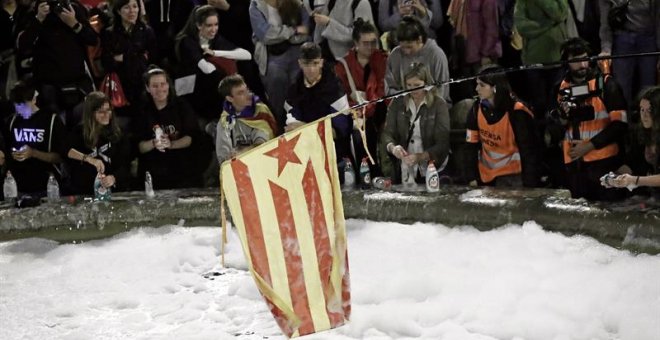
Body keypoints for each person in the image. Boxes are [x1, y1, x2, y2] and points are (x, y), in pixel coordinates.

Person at [552, 37, 628, 200]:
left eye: (585, 59)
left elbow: (620, 125)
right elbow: (553, 128)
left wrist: (589, 146)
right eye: (576, 60)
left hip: (604, 161)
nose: (583, 65)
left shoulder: (606, 85)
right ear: (566, 62)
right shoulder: (561, 88)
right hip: (574, 163)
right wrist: (562, 119)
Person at [17, 0, 98, 126]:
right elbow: (22, 46)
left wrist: (74, 24)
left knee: (80, 130)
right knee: (54, 129)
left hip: (77, 83)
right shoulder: (32, 12)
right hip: (48, 87)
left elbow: (93, 39)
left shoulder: (74, 8)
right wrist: (38, 19)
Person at [465, 65, 540, 187]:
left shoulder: (517, 112)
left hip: (514, 177)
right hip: (486, 177)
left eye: (482, 85)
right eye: (477, 83)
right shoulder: (475, 110)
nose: (477, 88)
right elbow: (470, 146)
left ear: (495, 87)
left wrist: (529, 184)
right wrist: (472, 177)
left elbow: (529, 150)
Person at [175, 4, 252, 122]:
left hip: (207, 85)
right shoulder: (187, 41)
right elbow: (207, 69)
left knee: (242, 69)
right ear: (198, 25)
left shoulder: (215, 39)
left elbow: (247, 55)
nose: (214, 29)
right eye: (209, 25)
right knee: (219, 77)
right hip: (188, 87)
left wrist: (215, 53)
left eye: (216, 25)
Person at [137, 67, 205, 189]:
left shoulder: (182, 106)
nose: (160, 89)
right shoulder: (143, 111)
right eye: (155, 86)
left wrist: (171, 144)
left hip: (182, 167)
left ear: (168, 85)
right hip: (155, 169)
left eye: (163, 84)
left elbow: (191, 137)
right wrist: (154, 143)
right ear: (148, 88)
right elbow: (140, 147)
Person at [382, 62, 450, 185]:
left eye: (417, 85)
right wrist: (393, 148)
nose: (413, 89)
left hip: (432, 168)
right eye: (409, 85)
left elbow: (443, 142)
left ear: (427, 84)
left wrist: (420, 156)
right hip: (404, 168)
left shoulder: (439, 104)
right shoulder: (397, 103)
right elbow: (387, 134)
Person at [335, 18, 387, 176]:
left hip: (376, 112)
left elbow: (383, 89)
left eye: (373, 42)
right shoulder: (343, 66)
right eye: (365, 43)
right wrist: (354, 110)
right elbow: (340, 95)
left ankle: (375, 173)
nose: (370, 47)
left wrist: (368, 109)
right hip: (354, 113)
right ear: (356, 44)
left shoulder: (382, 60)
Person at [284, 42, 352, 159]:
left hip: (333, 150)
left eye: (315, 63)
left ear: (321, 62)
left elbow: (341, 129)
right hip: (304, 149)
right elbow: (290, 125)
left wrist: (306, 128)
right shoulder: (294, 90)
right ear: (300, 63)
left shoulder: (334, 88)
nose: (311, 69)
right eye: (306, 64)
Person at [249, 0, 310, 130]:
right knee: (276, 79)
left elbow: (306, 29)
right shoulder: (256, 6)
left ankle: (302, 123)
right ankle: (277, 125)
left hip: (296, 49)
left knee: (298, 81)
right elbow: (266, 35)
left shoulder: (296, 3)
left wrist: (286, 36)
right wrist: (293, 31)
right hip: (271, 53)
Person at [4, 79, 68, 196]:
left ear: (34, 99)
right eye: (17, 106)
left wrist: (33, 153)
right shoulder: (12, 121)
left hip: (47, 187)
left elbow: (61, 157)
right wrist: (11, 155)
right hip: (18, 187)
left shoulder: (52, 121)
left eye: (24, 105)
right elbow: (6, 151)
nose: (20, 109)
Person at [101, 0, 156, 129]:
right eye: (127, 7)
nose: (132, 11)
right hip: (119, 86)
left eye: (135, 6)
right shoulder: (109, 33)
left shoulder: (147, 31)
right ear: (118, 11)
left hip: (141, 86)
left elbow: (152, 59)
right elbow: (106, 62)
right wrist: (137, 57)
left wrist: (123, 57)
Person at [66, 92, 131, 195]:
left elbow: (125, 164)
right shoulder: (79, 132)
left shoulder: (118, 133)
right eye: (101, 111)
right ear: (91, 113)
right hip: (84, 192)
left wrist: (114, 178)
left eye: (108, 110)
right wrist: (89, 159)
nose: (106, 115)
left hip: (112, 192)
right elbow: (67, 151)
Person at [598, 0, 659, 106]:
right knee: (621, 88)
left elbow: (659, 20)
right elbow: (605, 23)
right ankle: (624, 120)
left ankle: (648, 119)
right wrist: (606, 50)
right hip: (622, 39)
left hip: (648, 38)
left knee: (649, 87)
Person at [513, 0, 568, 117]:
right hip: (533, 61)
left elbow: (560, 14)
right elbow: (522, 26)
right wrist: (548, 24)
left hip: (557, 58)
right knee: (539, 105)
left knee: (558, 102)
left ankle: (558, 132)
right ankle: (540, 132)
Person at [603, 86, 660, 193]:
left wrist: (634, 180)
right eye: (642, 110)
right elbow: (633, 161)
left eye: (650, 110)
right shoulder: (642, 134)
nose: (644, 115)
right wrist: (616, 177)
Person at [384, 16, 450, 104]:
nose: (406, 51)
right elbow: (389, 88)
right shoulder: (395, 55)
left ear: (419, 39)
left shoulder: (436, 54)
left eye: (409, 47)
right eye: (403, 47)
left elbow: (442, 90)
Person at [215, 74, 277, 164]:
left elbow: (264, 143)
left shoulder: (260, 111)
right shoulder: (225, 121)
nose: (248, 95)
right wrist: (230, 158)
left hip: (265, 160)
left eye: (246, 90)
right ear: (229, 98)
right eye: (240, 93)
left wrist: (244, 152)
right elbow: (224, 158)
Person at [305, 0, 373, 62]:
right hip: (327, 54)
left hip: (349, 60)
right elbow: (321, 26)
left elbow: (362, 36)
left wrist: (329, 23)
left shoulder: (361, 4)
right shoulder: (332, 1)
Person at [378, 0, 443, 40]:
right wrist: (399, 15)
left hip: (426, 44)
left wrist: (423, 12)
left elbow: (438, 23)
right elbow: (383, 25)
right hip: (399, 45)